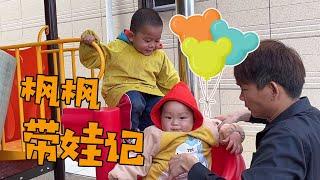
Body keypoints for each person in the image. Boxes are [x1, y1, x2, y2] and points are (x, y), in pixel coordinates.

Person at [168, 39, 320, 180]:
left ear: (273, 89)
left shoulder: (285, 139)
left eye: (244, 89)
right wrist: (243, 115)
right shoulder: (313, 118)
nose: (241, 97)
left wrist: (193, 167)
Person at [108, 81, 245, 179]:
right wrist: (119, 176)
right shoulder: (154, 133)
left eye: (182, 118)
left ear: (193, 117)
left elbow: (225, 128)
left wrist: (235, 134)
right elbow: (135, 157)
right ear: (160, 116)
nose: (174, 123)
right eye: (168, 117)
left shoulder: (206, 128)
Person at [79, 8, 180, 132]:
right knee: (134, 101)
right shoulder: (116, 48)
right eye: (147, 40)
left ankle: (147, 136)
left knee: (159, 105)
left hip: (148, 92)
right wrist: (89, 43)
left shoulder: (158, 55)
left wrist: (181, 95)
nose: (152, 45)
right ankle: (128, 136)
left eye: (157, 40)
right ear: (132, 36)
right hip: (121, 90)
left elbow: (169, 79)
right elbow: (93, 57)